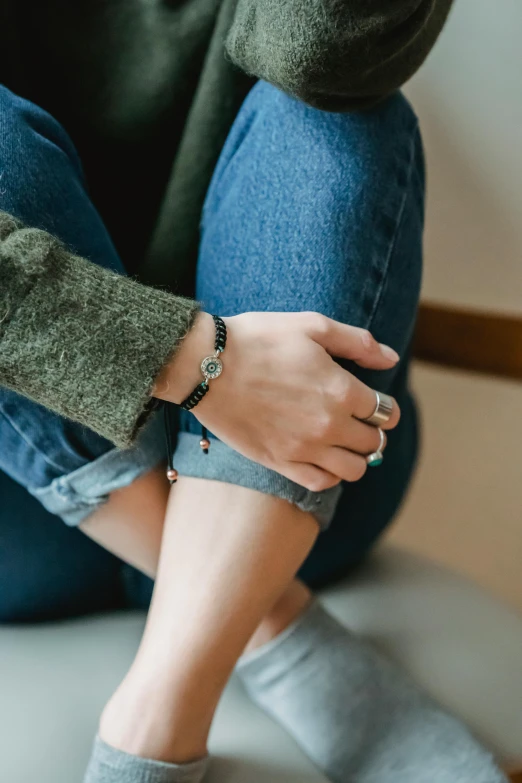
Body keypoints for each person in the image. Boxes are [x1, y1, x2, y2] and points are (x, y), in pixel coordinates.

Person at [0, 1, 506, 782]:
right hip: (25, 510)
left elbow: (319, 53)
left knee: (342, 117)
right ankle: (279, 629)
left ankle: (159, 713)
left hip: (294, 481)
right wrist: (202, 363)